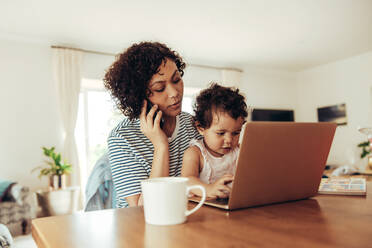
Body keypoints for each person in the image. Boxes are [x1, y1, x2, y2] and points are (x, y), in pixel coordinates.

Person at [104, 42, 201, 208]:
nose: (174, 93)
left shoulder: (194, 125)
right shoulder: (122, 138)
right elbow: (143, 208)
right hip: (139, 228)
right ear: (138, 96)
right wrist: (161, 145)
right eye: (160, 88)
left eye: (176, 79)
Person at [181, 83, 248, 199]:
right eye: (221, 133)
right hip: (203, 208)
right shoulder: (195, 153)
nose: (229, 140)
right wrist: (209, 189)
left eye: (236, 133)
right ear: (201, 128)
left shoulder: (239, 150)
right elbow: (187, 181)